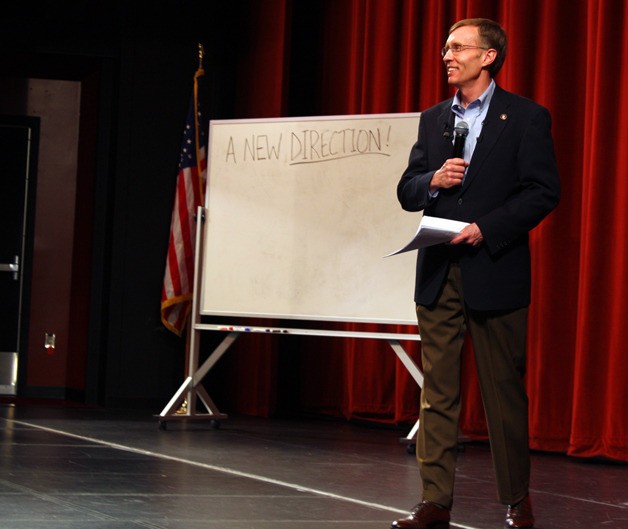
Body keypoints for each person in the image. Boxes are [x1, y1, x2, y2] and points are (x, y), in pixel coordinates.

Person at [392, 18, 560, 529]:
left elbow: (542, 192)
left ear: (488, 57)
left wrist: (486, 228)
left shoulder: (527, 118)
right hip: (439, 271)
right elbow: (406, 189)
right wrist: (432, 180)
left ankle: (516, 502)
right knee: (437, 392)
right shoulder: (433, 118)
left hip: (494, 269)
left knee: (502, 392)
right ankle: (435, 504)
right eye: (446, 47)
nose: (447, 55)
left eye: (458, 47)